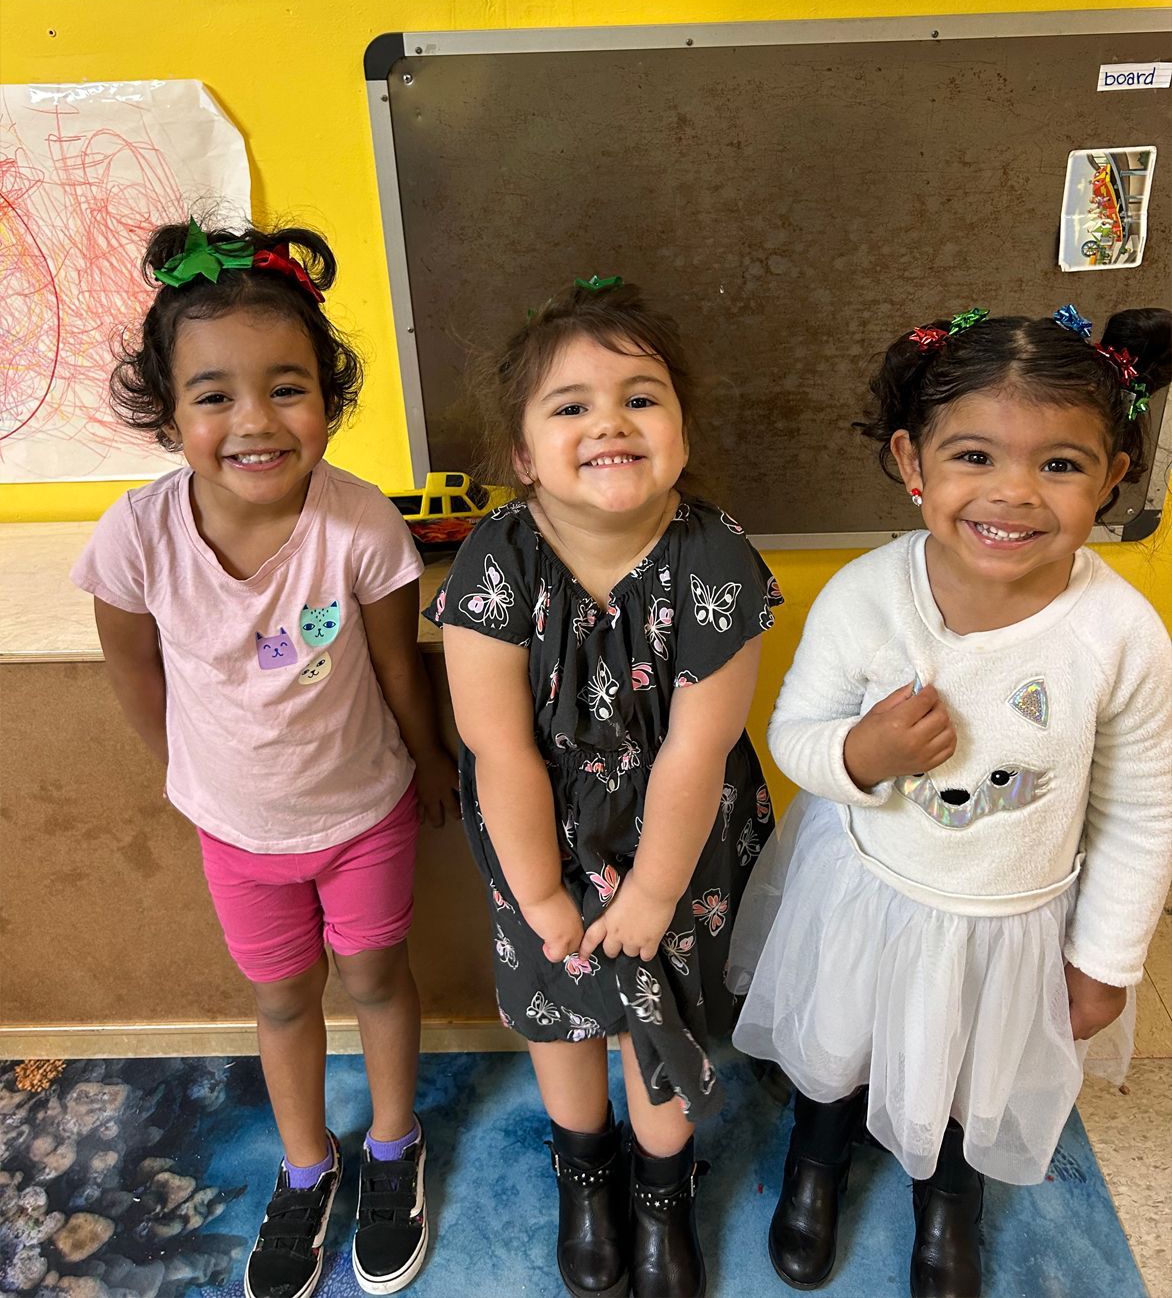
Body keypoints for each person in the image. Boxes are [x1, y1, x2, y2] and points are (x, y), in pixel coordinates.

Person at [730, 303, 1172, 1298]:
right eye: (973, 453)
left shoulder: (1121, 633)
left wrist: (1104, 960)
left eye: (1058, 464)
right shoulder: (863, 594)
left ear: (1112, 475)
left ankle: (949, 1201)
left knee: (977, 1070)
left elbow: (1142, 808)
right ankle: (816, 1156)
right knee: (833, 1044)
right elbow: (795, 733)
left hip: (1009, 916)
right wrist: (861, 748)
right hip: (867, 893)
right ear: (911, 460)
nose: (1012, 492)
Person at [72, 220, 457, 1298]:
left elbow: (394, 662)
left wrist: (430, 756)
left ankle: (391, 1145)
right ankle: (305, 1165)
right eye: (213, 395)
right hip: (236, 833)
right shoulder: (137, 538)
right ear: (167, 410)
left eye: (286, 387)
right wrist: (184, 775)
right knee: (282, 998)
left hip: (364, 812)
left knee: (376, 978)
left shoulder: (360, 524)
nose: (254, 422)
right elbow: (134, 669)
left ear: (327, 397)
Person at [426, 276, 781, 1298]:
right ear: (523, 454)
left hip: (679, 837)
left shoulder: (714, 558)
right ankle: (586, 1172)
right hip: (534, 828)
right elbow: (498, 749)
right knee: (559, 1005)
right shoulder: (496, 558)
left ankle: (663, 1187)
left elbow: (692, 751)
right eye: (570, 404)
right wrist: (540, 892)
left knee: (659, 1004)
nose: (609, 421)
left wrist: (654, 891)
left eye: (640, 396)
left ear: (678, 429)